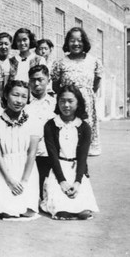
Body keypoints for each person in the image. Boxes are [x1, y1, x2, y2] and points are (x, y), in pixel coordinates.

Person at [41, 85, 99, 220]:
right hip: (57, 170)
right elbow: (52, 156)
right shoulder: (50, 125)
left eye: (70, 101)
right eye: (62, 101)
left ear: (78, 103)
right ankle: (61, 206)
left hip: (77, 170)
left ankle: (79, 204)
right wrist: (62, 181)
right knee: (61, 209)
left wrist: (78, 181)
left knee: (83, 211)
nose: (66, 105)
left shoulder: (84, 127)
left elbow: (83, 157)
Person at [0, 80, 41, 220]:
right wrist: (10, 180)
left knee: (27, 211)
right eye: (15, 95)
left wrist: (24, 181)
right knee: (6, 212)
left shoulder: (33, 120)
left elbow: (31, 154)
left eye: (24, 96)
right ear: (6, 95)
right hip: (4, 170)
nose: (19, 100)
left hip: (26, 170)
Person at [51, 27, 103, 156]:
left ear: (84, 42)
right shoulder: (60, 63)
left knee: (84, 143)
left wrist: (84, 95)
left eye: (79, 40)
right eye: (72, 40)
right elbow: (56, 86)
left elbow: (95, 84)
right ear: (67, 43)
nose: (75, 44)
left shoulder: (94, 62)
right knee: (68, 144)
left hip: (87, 107)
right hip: (67, 105)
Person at [26, 65, 56, 199]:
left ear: (48, 80)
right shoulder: (24, 104)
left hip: (48, 152)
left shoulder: (55, 104)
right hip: (27, 153)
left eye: (40, 79)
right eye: (32, 80)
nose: (36, 83)